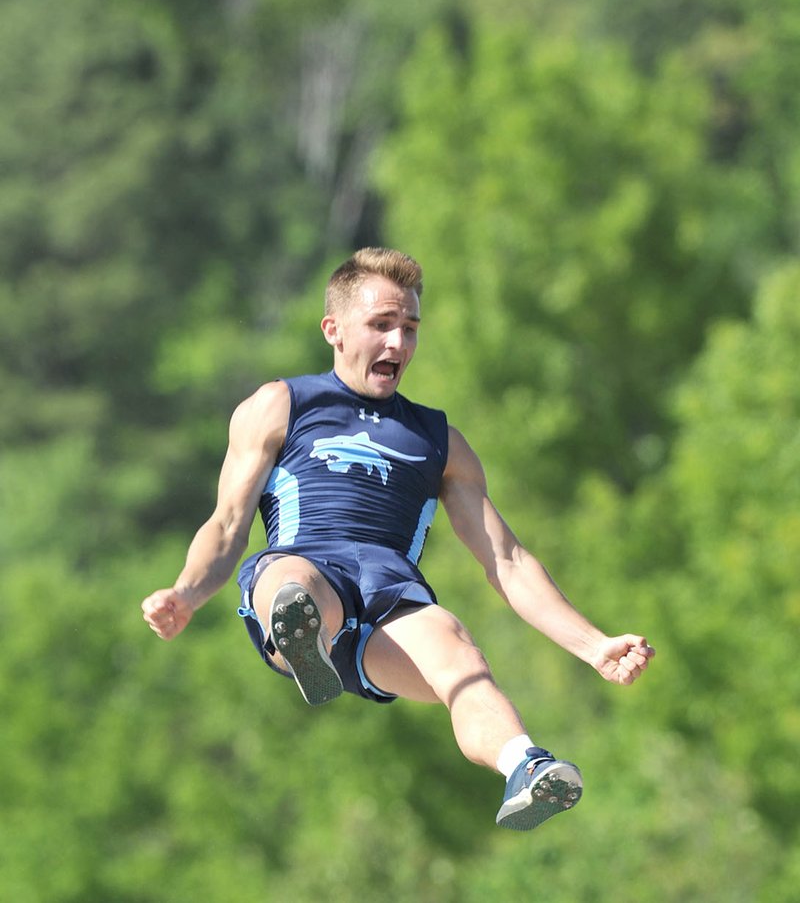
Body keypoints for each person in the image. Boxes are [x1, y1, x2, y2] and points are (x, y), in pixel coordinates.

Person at [142, 247, 655, 832]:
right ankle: (304, 639)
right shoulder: (282, 404)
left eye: (409, 328)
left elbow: (507, 560)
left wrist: (593, 645)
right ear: (333, 330)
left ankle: (524, 767)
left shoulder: (438, 439)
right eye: (381, 325)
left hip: (389, 599)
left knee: (459, 653)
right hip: (307, 565)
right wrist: (187, 593)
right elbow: (228, 525)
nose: (398, 343)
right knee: (297, 588)